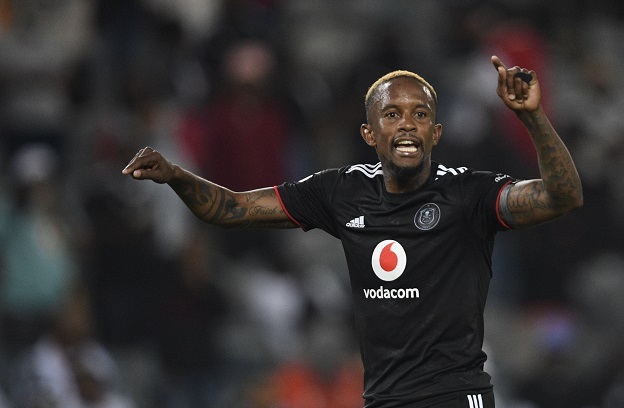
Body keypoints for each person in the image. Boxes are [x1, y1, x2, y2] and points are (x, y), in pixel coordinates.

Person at [122, 55, 583, 408]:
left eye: (420, 114)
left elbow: (562, 197)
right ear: (368, 133)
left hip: (455, 396)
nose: (407, 123)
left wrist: (533, 119)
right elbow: (232, 208)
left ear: (436, 133)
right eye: (392, 114)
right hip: (383, 397)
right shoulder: (341, 192)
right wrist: (177, 176)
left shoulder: (468, 194)